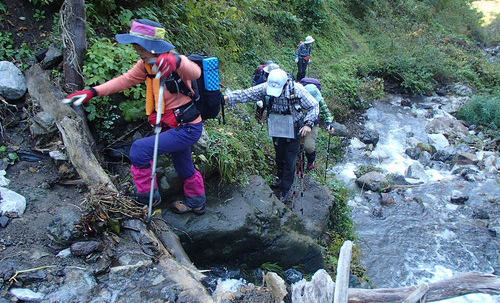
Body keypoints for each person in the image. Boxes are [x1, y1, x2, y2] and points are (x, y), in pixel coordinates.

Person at [64, 19, 207, 215]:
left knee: (139, 149)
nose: (135, 49)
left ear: (151, 45)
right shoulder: (145, 65)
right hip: (171, 126)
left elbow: (195, 72)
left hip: (187, 127)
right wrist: (93, 92)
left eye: (138, 45)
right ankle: (197, 202)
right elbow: (124, 80)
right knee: (183, 164)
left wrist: (177, 61)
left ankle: (146, 199)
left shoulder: (174, 60)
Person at [224, 69, 318, 202]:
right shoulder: (266, 87)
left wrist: (308, 124)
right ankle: (280, 179)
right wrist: (228, 97)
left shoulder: (297, 90)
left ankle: (286, 189)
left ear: (285, 84)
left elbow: (314, 105)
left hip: (294, 127)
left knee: (290, 159)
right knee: (279, 156)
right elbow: (248, 94)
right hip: (277, 126)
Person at [299, 81, 334, 170]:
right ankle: (299, 161)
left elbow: (327, 113)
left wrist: (329, 124)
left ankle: (310, 161)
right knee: (297, 145)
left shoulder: (319, 100)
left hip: (313, 124)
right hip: (298, 122)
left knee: (309, 146)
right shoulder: (298, 97)